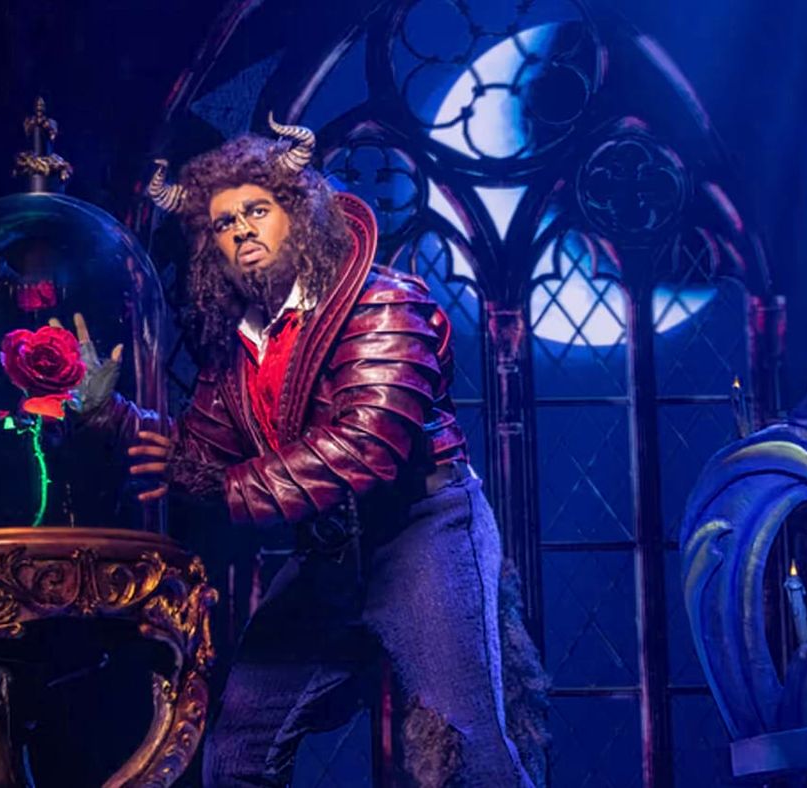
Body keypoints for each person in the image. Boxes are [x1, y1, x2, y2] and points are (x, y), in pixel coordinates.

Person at [86, 115, 541, 787]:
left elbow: (366, 445)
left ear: (297, 217)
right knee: (238, 752)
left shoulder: (383, 303)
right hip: (328, 551)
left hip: (422, 532)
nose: (241, 230)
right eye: (223, 222)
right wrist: (111, 414)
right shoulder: (239, 346)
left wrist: (222, 486)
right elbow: (200, 454)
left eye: (256, 211)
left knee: (467, 751)